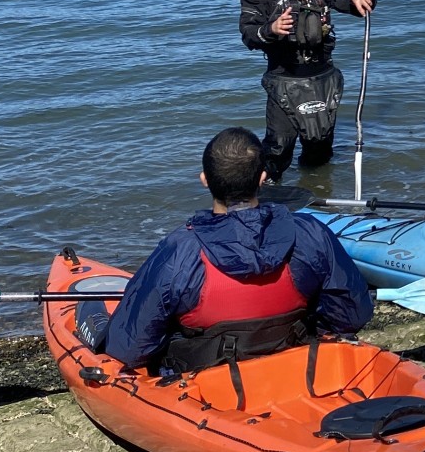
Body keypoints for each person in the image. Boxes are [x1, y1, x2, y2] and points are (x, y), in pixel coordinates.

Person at [100, 127, 374, 372]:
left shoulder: (180, 250)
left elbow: (131, 349)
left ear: (205, 180)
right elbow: (352, 313)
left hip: (206, 376)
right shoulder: (310, 232)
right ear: (262, 178)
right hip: (290, 354)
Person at [238, 0, 375, 180]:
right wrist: (272, 29)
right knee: (279, 147)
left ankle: (317, 193)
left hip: (323, 79)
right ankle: (263, 199)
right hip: (284, 79)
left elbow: (359, 2)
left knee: (319, 149)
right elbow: (248, 34)